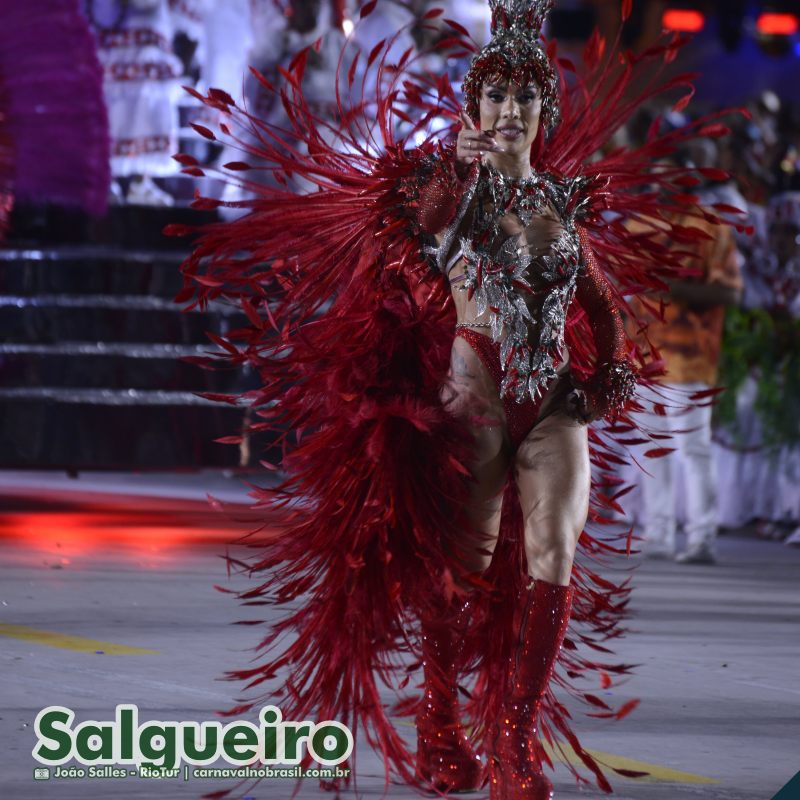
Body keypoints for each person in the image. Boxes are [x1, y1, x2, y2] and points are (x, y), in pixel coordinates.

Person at [172, 0, 737, 796]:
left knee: (553, 554)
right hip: (472, 401)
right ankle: (440, 712)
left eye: (526, 98)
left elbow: (602, 304)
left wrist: (607, 371)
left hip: (553, 408)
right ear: (474, 108)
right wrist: (455, 164)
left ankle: (510, 740)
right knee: (461, 573)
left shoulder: (564, 203)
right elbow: (428, 227)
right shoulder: (452, 189)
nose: (512, 110)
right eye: (497, 97)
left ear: (545, 110)